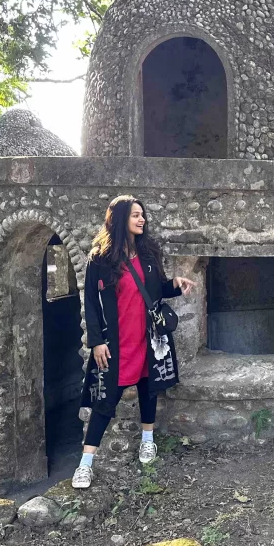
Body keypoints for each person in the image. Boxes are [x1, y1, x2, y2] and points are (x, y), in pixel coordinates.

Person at [73, 195, 195, 489]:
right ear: (119, 219)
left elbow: (156, 290)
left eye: (143, 215)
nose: (142, 220)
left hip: (148, 338)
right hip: (115, 343)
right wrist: (97, 341)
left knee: (148, 389)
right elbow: (90, 302)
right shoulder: (100, 260)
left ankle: (148, 440)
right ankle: (85, 465)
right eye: (135, 215)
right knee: (105, 400)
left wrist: (175, 286)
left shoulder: (149, 253)